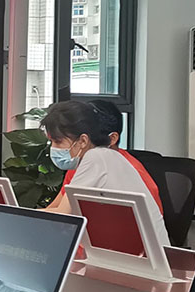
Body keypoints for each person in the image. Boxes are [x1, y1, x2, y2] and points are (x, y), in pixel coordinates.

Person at [41, 100, 167, 243]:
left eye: (58, 142)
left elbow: (63, 216)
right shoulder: (104, 156)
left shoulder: (96, 158)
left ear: (83, 141)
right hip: (126, 248)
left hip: (141, 252)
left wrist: (20, 217)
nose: (54, 148)